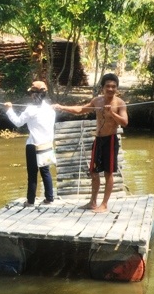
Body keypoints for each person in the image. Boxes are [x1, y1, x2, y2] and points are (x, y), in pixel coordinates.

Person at [54, 72, 128, 212]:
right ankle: (92, 202)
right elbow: (81, 110)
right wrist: (62, 107)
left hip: (110, 140)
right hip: (98, 140)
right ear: (102, 87)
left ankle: (104, 204)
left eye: (113, 86)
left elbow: (125, 122)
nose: (111, 89)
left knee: (108, 173)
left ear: (117, 88)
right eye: (108, 86)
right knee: (94, 172)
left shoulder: (120, 103)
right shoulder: (97, 101)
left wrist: (112, 113)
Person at [4, 80, 56, 206]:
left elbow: (18, 122)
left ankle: (30, 201)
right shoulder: (51, 109)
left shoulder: (30, 110)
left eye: (31, 93)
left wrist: (9, 109)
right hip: (47, 145)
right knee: (45, 171)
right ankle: (49, 198)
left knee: (32, 174)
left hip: (33, 145)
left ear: (34, 95)